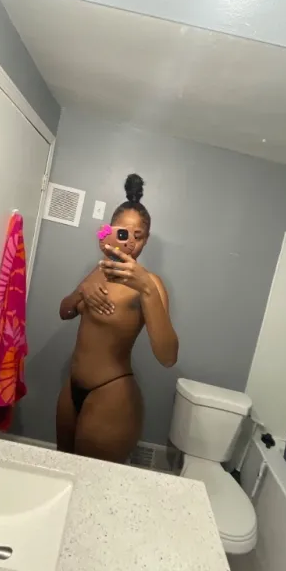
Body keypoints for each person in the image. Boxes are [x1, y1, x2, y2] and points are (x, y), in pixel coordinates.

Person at [57, 174, 179, 463]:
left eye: (139, 236)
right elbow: (65, 312)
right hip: (71, 389)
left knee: (93, 480)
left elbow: (168, 357)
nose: (130, 243)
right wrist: (81, 292)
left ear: (146, 240)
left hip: (110, 395)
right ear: (109, 232)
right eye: (123, 233)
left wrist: (146, 289)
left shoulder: (151, 283)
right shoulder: (98, 271)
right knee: (61, 468)